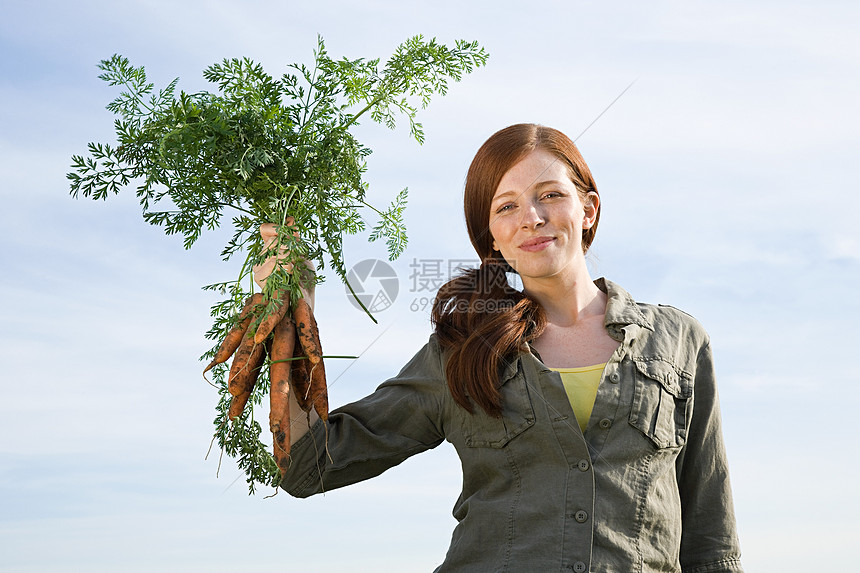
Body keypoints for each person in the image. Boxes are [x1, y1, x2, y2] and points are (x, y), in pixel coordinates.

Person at [258, 124, 744, 573]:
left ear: (588, 208)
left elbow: (711, 539)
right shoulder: (461, 351)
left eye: (550, 195)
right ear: (490, 235)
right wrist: (290, 313)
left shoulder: (678, 340)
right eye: (506, 206)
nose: (531, 219)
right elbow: (310, 465)